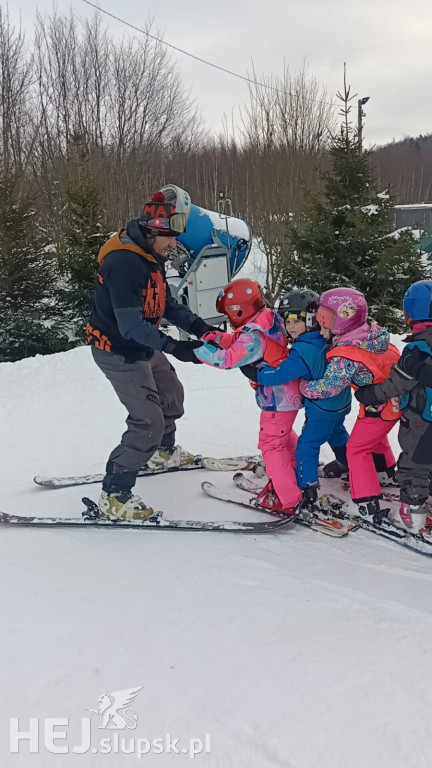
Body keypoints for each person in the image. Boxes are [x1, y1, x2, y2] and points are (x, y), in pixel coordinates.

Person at [87, 191, 217, 521]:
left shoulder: (149, 255)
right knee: (148, 421)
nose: (174, 244)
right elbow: (130, 325)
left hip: (142, 343)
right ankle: (114, 496)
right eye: (170, 238)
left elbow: (165, 303)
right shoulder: (124, 263)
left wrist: (200, 328)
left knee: (172, 394)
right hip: (118, 350)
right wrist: (176, 347)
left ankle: (163, 452)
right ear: (152, 232)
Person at [195, 279, 303, 514]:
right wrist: (216, 338)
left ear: (239, 310)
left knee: (271, 445)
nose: (228, 318)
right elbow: (238, 342)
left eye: (228, 313)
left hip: (276, 398)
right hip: (288, 393)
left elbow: (228, 359)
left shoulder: (253, 337)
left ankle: (287, 498)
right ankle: (298, 473)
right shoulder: (267, 318)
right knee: (283, 436)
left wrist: (195, 351)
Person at [240, 289, 351, 511]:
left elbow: (280, 374)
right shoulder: (324, 339)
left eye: (296, 321)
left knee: (307, 446)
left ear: (311, 319)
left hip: (321, 408)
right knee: (336, 432)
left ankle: (307, 488)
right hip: (340, 403)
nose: (290, 327)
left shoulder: (302, 349)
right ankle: (347, 462)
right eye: (287, 321)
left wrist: (254, 373)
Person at [300, 288, 401, 522]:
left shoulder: (346, 354)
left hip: (379, 405)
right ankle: (383, 471)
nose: (321, 332)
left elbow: (330, 386)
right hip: (396, 398)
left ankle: (366, 503)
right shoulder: (372, 336)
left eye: (324, 326)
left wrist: (305, 387)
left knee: (356, 449)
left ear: (340, 324)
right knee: (373, 438)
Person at [355, 280, 432, 533]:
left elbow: (397, 384)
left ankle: (412, 517)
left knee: (414, 464)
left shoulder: (417, 350)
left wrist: (372, 394)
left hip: (423, 418)